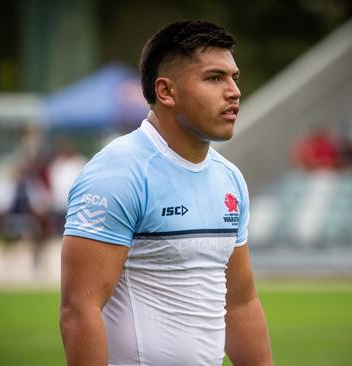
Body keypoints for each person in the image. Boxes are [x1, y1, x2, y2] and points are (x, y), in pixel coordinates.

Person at [60, 21, 273, 366]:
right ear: (166, 92)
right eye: (214, 78)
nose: (233, 91)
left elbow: (240, 303)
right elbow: (79, 310)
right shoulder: (118, 173)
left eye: (234, 77)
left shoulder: (229, 178)